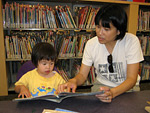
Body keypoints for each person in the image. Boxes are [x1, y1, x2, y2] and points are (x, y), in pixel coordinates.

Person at [57, 4, 144, 103]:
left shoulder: (131, 41)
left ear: (119, 30)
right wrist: (73, 81)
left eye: (106, 29)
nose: (99, 33)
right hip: (101, 88)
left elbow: (131, 79)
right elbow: (82, 75)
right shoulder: (91, 44)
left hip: (128, 89)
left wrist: (112, 92)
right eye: (98, 27)